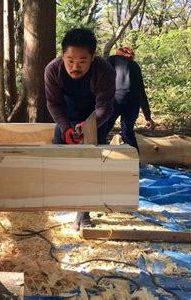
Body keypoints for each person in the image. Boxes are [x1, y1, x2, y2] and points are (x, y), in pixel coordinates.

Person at [44, 28, 115, 231]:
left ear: (93, 58)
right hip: (65, 115)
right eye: (70, 60)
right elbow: (53, 103)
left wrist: (88, 127)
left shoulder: (105, 71)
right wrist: (66, 128)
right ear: (62, 55)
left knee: (91, 165)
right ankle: (63, 199)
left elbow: (104, 107)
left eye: (82, 61)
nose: (75, 67)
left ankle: (83, 212)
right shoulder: (53, 69)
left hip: (95, 119)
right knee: (60, 161)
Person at [105, 47, 155, 152]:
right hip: (132, 102)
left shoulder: (111, 60)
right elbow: (141, 92)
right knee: (127, 132)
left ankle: (98, 158)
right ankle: (136, 161)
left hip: (115, 100)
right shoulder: (135, 66)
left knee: (103, 130)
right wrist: (148, 117)